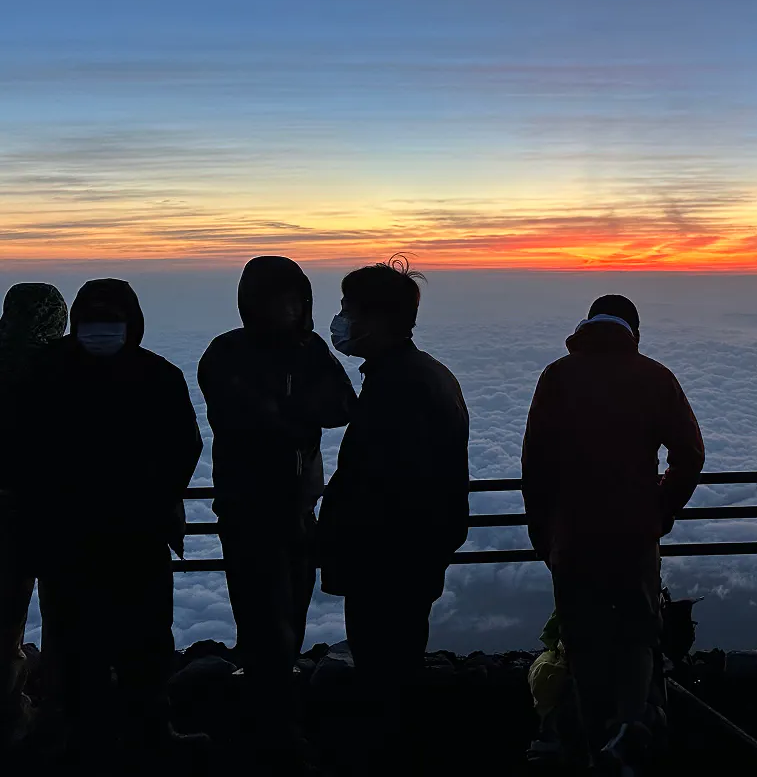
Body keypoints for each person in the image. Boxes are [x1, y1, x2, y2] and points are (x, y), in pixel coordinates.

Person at [17, 279, 205, 763]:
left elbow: (185, 446)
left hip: (103, 536)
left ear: (131, 325)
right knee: (95, 641)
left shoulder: (51, 370)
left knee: (132, 641)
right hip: (99, 536)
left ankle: (122, 735)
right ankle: (117, 737)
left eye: (110, 322)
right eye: (93, 322)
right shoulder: (150, 374)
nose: (101, 332)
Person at [521, 295, 705, 771]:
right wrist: (658, 509)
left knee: (583, 640)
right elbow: (690, 454)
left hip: (572, 539)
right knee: (638, 634)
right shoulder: (654, 376)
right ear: (633, 332)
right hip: (634, 539)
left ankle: (593, 742)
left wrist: (544, 533)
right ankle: (631, 731)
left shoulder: (556, 377)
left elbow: (535, 465)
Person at [198, 257, 355, 756]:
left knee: (291, 616)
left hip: (298, 510)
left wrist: (284, 410)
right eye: (275, 299)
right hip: (248, 511)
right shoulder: (227, 352)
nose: (287, 309)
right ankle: (275, 733)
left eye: (295, 299)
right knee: (265, 621)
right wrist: (292, 413)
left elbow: (342, 407)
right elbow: (240, 417)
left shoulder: (311, 352)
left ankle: (277, 720)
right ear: (251, 303)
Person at [316, 256, 469, 764]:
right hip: (411, 558)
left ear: (378, 320)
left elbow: (382, 486)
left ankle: (387, 756)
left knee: (384, 672)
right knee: (399, 667)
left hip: (386, 563)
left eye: (348, 309)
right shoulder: (424, 376)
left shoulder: (398, 388)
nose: (340, 319)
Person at [0, 283, 67, 746]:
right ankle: (62, 717)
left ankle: (9, 718)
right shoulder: (64, 369)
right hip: (62, 515)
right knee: (71, 615)